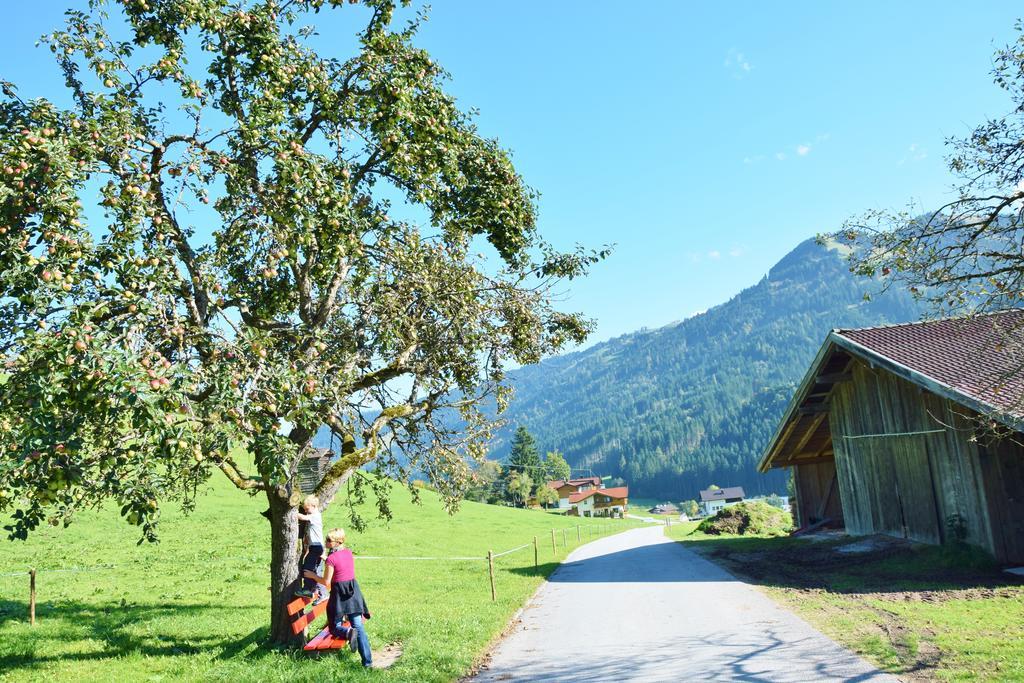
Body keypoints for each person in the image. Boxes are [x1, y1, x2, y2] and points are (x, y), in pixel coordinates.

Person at [316, 527, 372, 667]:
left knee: (334, 627)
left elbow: (326, 582)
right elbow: (340, 566)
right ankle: (367, 663)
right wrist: (327, 559)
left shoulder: (331, 559)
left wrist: (311, 575)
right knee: (359, 627)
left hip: (339, 596)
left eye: (329, 540)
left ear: (338, 541)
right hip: (353, 593)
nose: (326, 542)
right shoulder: (348, 553)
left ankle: (348, 632)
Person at [294, 494, 323, 598]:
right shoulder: (314, 515)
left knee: (308, 568)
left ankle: (307, 590)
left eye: (307, 509)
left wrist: (293, 512)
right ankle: (312, 587)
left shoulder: (315, 516)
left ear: (314, 506)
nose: (306, 511)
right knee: (309, 566)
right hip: (314, 547)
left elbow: (302, 517)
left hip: (316, 546)